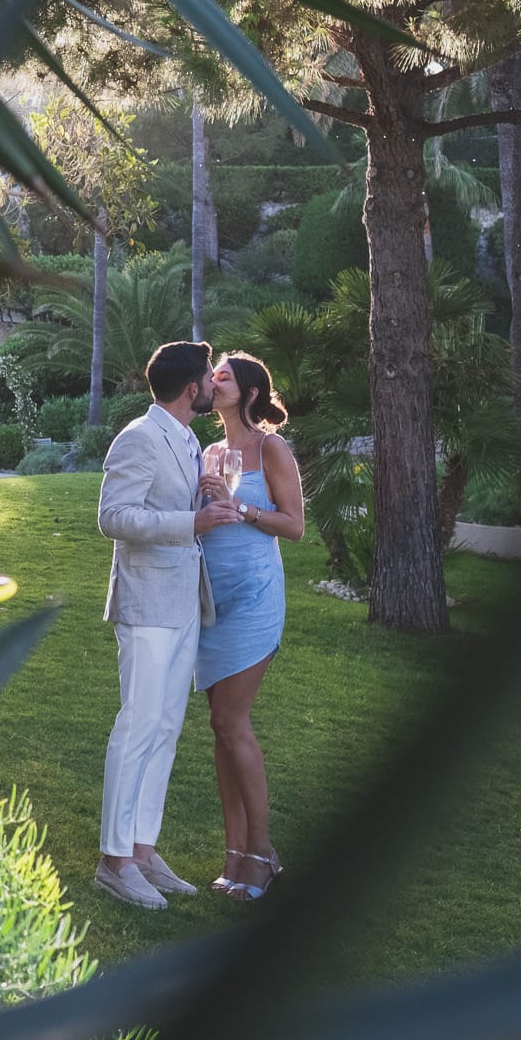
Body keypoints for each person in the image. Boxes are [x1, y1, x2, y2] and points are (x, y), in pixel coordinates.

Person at [92, 340, 234, 910]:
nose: (213, 384)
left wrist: (210, 499)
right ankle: (113, 861)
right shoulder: (138, 436)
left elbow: (176, 507)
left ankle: (143, 852)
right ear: (190, 387)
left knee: (167, 728)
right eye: (208, 376)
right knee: (138, 725)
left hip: (182, 602)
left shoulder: (187, 438)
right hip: (147, 602)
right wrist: (191, 520)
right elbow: (113, 517)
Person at [197, 351, 303, 901]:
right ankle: (234, 854)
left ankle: (262, 853)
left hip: (256, 599)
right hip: (211, 601)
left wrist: (243, 511)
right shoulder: (208, 451)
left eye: (224, 377)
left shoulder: (270, 448)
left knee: (230, 720)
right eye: (212, 376)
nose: (213, 382)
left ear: (250, 393)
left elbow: (295, 526)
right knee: (220, 728)